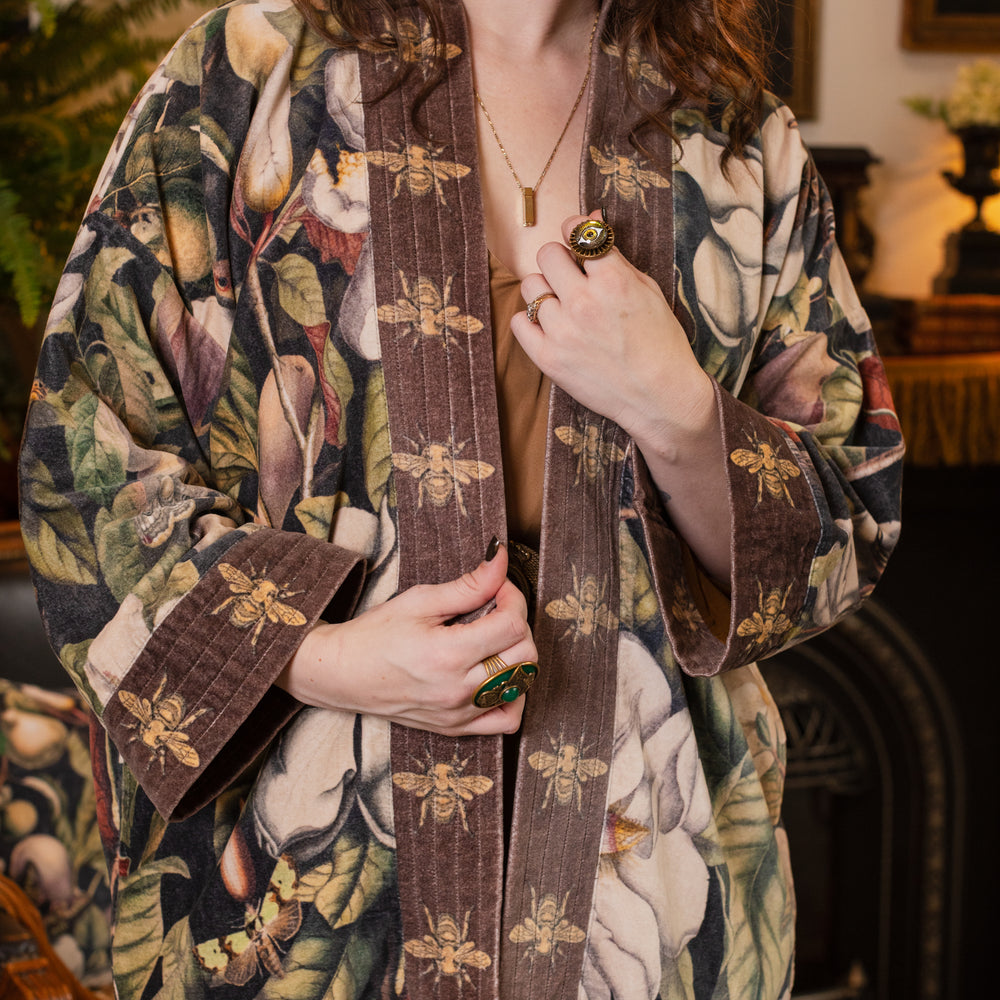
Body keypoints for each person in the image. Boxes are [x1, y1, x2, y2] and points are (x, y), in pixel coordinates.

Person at [18, 0, 903, 996]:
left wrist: (682, 411)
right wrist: (326, 659)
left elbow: (846, 519)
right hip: (299, 902)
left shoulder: (737, 136)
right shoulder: (244, 77)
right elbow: (83, 467)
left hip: (652, 895)